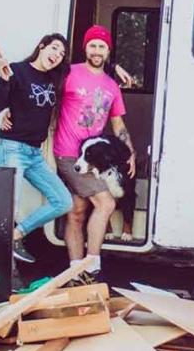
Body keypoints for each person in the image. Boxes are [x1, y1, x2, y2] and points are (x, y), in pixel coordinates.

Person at [54, 25, 135, 284]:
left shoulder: (112, 85)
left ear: (108, 51)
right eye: (93, 45)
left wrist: (129, 152)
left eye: (102, 46)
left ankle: (76, 272)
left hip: (93, 159)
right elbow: (43, 93)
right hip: (68, 154)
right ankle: (92, 265)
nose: (97, 51)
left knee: (77, 211)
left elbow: (118, 125)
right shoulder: (70, 73)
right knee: (106, 203)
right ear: (85, 48)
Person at [0, 33, 74, 264]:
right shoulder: (17, 71)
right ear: (41, 47)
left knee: (63, 201)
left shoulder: (54, 79)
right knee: (6, 212)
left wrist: (114, 67)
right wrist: (4, 81)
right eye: (54, 49)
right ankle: (3, 273)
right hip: (12, 149)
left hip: (34, 154)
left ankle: (16, 235)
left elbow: (87, 71)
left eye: (62, 54)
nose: (57, 55)